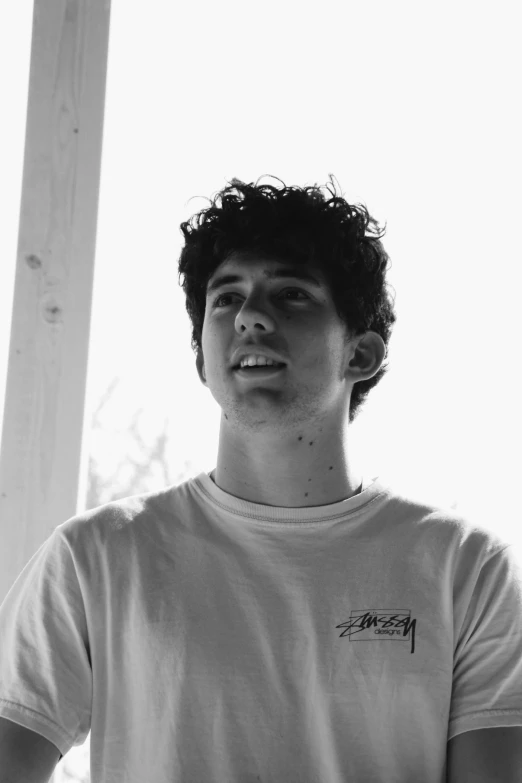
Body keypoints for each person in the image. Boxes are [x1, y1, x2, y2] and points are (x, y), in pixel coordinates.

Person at [1, 175, 521, 782]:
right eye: (226, 299)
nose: (250, 316)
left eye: (292, 295)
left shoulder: (466, 569)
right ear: (201, 356)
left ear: (361, 354)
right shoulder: (94, 558)